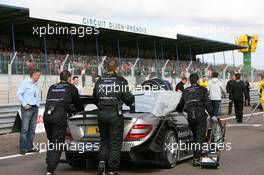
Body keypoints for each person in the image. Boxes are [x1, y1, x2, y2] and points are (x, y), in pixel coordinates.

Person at [93, 58, 134, 175]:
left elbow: (94, 98)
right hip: (115, 114)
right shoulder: (121, 81)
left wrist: (102, 106)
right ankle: (113, 170)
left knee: (104, 140)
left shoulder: (99, 81)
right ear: (117, 68)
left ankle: (101, 161)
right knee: (115, 142)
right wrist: (132, 99)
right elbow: (128, 100)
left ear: (106, 68)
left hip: (101, 113)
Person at [43, 70, 83, 175]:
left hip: (47, 115)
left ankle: (49, 162)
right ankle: (50, 169)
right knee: (57, 142)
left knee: (52, 140)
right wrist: (78, 110)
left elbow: (54, 101)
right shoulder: (71, 87)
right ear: (69, 79)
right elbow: (78, 103)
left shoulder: (52, 87)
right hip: (58, 116)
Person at [176, 73, 216, 166]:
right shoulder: (202, 89)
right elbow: (207, 104)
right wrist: (212, 115)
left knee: (195, 136)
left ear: (190, 81)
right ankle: (197, 158)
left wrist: (177, 111)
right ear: (198, 80)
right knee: (199, 136)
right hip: (200, 115)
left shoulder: (185, 90)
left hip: (190, 116)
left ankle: (198, 153)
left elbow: (181, 105)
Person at [16, 69, 41, 155]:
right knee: (25, 129)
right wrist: (24, 104)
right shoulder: (25, 82)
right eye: (38, 75)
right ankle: (23, 148)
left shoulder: (37, 84)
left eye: (39, 75)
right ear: (33, 75)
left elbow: (37, 95)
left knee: (32, 129)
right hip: (27, 108)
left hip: (35, 108)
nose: (39, 77)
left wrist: (38, 104)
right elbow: (18, 94)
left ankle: (29, 147)